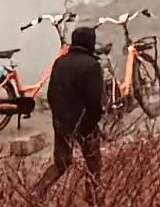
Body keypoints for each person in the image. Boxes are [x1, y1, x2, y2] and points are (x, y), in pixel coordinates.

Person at [40, 15, 116, 186]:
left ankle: (37, 192)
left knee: (61, 163)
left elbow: (52, 93)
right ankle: (93, 197)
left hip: (61, 119)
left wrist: (59, 117)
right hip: (84, 122)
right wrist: (92, 123)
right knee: (93, 163)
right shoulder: (91, 65)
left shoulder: (60, 62)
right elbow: (94, 100)